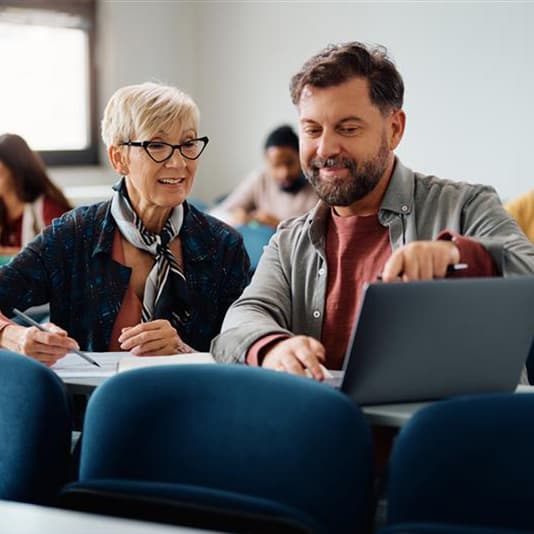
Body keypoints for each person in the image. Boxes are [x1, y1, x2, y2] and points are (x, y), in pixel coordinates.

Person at [211, 41, 534, 378]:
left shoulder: (465, 205)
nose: (325, 148)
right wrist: (272, 346)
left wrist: (458, 255)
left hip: (450, 426)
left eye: (348, 128)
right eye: (312, 130)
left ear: (394, 129)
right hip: (329, 426)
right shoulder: (290, 241)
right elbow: (242, 317)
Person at [0, 82, 250, 365]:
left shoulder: (223, 245)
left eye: (188, 143)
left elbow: (242, 350)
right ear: (119, 158)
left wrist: (185, 351)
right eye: (157, 145)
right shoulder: (75, 235)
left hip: (193, 404)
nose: (179, 162)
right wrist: (13, 336)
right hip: (90, 405)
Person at [211, 125, 318, 228]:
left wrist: (277, 223)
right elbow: (219, 213)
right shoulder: (261, 178)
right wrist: (239, 216)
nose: (284, 173)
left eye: (290, 163)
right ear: (267, 162)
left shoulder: (317, 185)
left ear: (301, 157)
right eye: (276, 165)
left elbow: (314, 232)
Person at [0, 133, 72, 253]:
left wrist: (7, 252)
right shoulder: (3, 210)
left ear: (16, 173)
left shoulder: (48, 208)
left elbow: (63, 254)